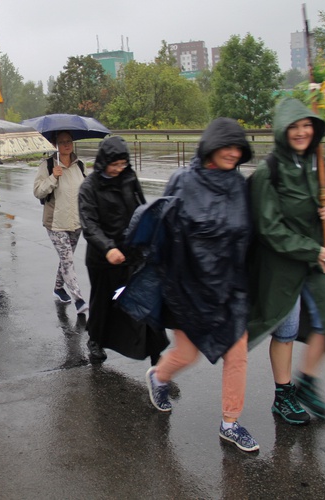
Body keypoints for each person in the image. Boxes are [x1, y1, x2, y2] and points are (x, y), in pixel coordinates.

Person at [125, 118, 259, 452]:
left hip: (229, 286)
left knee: (237, 352)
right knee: (188, 352)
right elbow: (164, 235)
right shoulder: (184, 182)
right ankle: (159, 377)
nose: (233, 153)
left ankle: (231, 423)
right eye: (227, 146)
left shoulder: (238, 185)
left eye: (238, 148)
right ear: (211, 146)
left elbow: (248, 233)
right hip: (188, 287)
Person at [247, 97, 325, 425]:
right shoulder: (268, 172)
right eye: (294, 127)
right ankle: (283, 395)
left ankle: (307, 383)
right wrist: (312, 250)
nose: (302, 132)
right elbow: (270, 229)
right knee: (286, 331)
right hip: (281, 266)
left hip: (315, 262)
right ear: (282, 131)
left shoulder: (319, 164)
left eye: (307, 126)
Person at [78, 136, 168, 363]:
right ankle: (96, 339)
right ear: (103, 162)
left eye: (122, 164)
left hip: (132, 252)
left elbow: (142, 209)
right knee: (104, 302)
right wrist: (108, 248)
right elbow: (89, 224)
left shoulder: (129, 178)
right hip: (103, 257)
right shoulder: (89, 187)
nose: (119, 169)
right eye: (114, 164)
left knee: (144, 299)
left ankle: (157, 355)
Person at [32, 131, 88, 314]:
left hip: (76, 222)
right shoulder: (48, 165)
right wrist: (53, 177)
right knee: (68, 259)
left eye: (69, 141)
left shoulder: (80, 165)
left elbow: (87, 190)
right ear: (55, 144)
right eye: (62, 142)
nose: (66, 145)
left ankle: (58, 288)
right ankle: (79, 298)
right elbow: (38, 192)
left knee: (66, 259)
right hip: (55, 223)